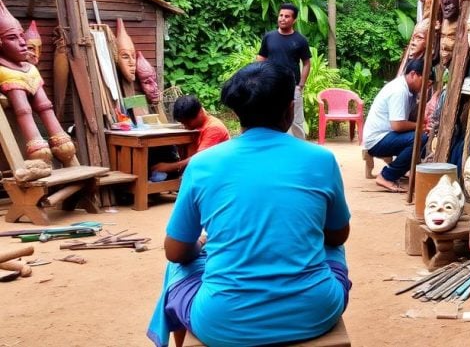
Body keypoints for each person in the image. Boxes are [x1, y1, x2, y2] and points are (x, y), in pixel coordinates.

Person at [146, 62, 351, 347]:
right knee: (333, 245)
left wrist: (202, 246)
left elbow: (175, 251)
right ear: (290, 109)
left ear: (236, 113)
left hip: (221, 322)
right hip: (315, 312)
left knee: (179, 266)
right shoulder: (321, 159)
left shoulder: (203, 164)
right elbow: (338, 236)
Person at [363, 57, 433, 193]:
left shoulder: (409, 91)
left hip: (386, 136)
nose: (425, 86)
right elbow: (397, 125)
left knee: (421, 136)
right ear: (413, 74)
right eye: (424, 81)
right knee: (420, 138)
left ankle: (404, 171)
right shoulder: (399, 91)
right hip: (377, 140)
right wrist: (419, 126)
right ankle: (386, 176)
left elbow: (410, 117)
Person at [257, 3, 311, 139]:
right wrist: (259, 77)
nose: (282, 19)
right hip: (271, 85)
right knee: (270, 116)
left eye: (287, 16)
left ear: (294, 20)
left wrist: (301, 85)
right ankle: (272, 145)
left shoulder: (300, 40)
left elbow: (306, 63)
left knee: (296, 120)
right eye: (281, 15)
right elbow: (261, 57)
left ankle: (299, 149)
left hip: (293, 86)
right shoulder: (269, 37)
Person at [150, 95, 230, 177]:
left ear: (200, 113)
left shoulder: (214, 128)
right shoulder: (195, 127)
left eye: (187, 123)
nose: (185, 126)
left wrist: (169, 167)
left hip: (214, 174)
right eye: (183, 123)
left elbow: (200, 159)